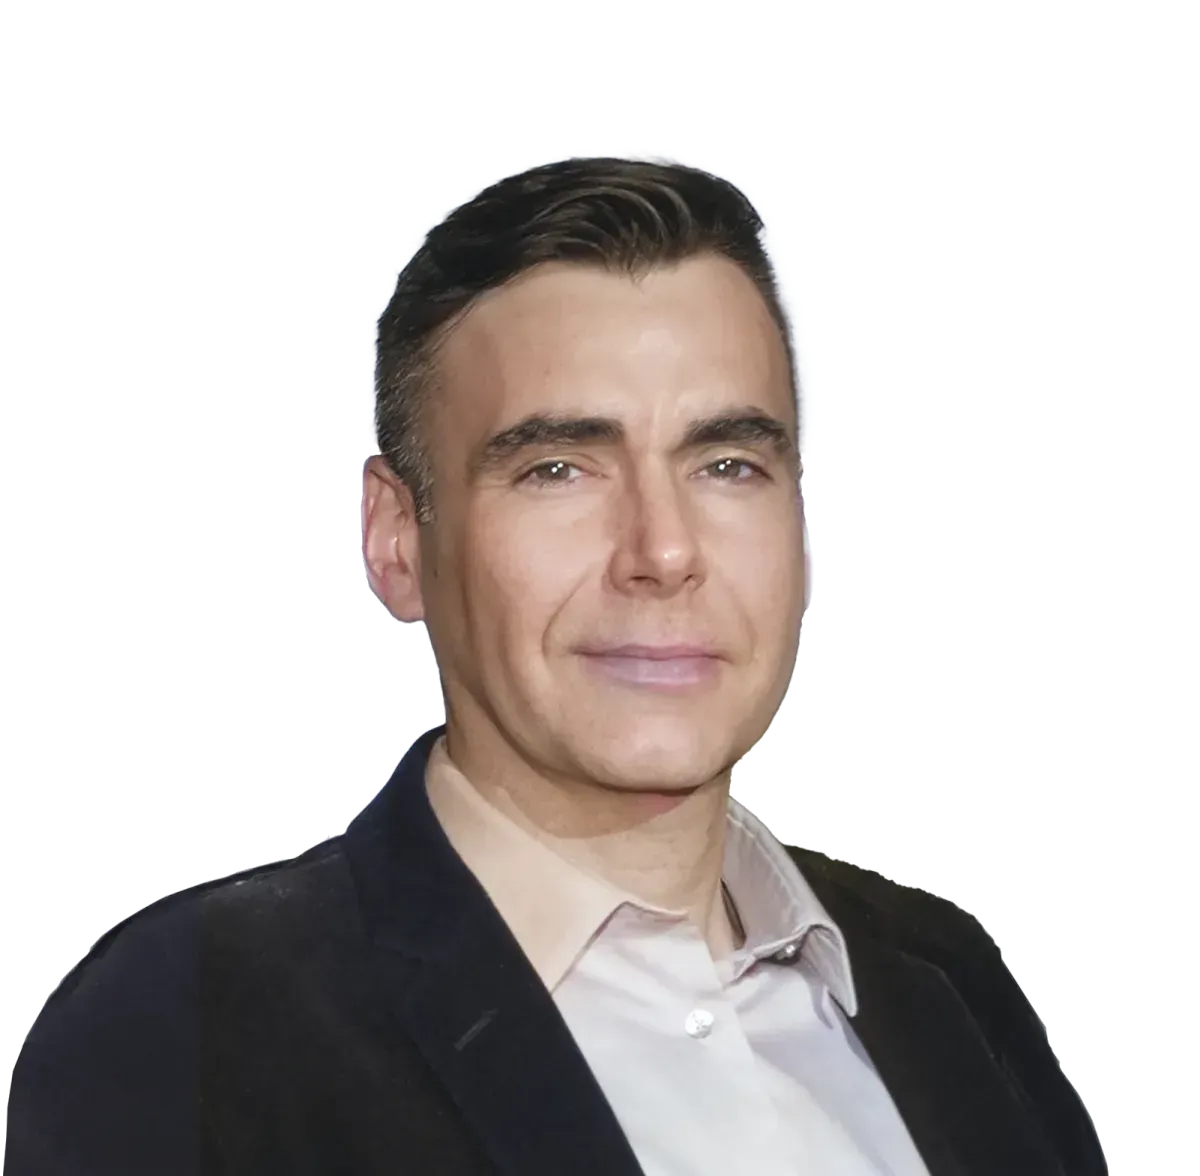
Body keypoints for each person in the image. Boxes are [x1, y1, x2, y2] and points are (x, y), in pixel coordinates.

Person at [5, 150, 1109, 1175]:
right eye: (557, 470)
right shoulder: (194, 1022)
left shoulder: (946, 980)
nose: (663, 552)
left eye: (728, 464)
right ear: (396, 540)